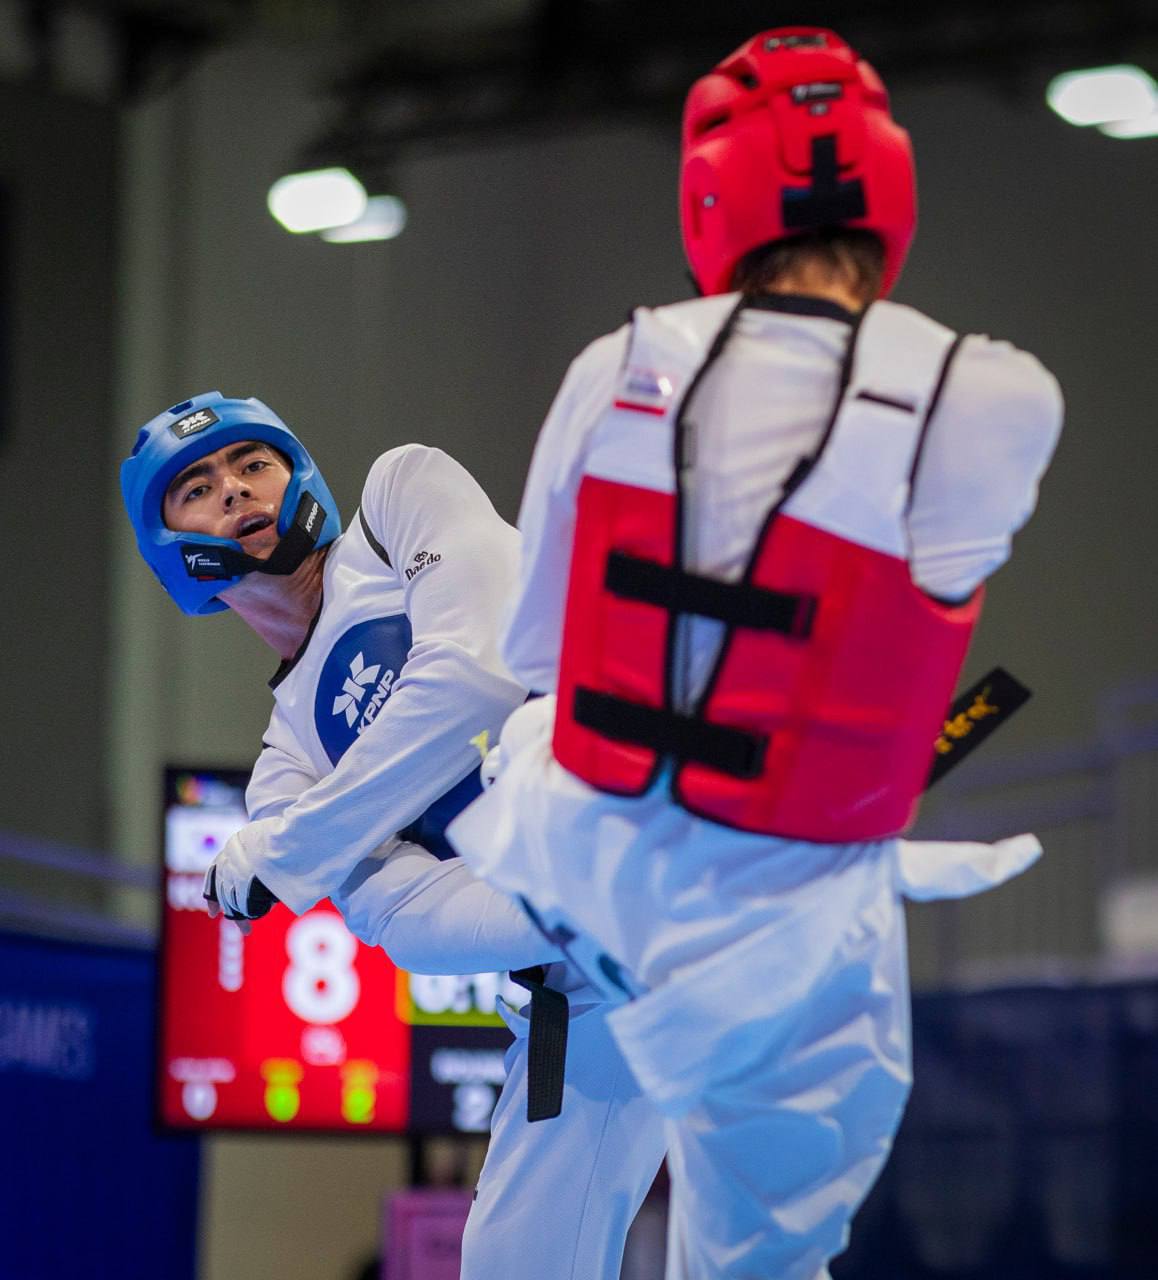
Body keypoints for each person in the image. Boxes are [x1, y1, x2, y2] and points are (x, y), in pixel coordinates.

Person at [446, 26, 1064, 1280]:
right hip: (797, 912)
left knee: (524, 744)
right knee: (763, 1262)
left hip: (600, 867)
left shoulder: (616, 367)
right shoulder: (995, 395)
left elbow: (540, 644)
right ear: (889, 182)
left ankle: (528, 946)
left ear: (709, 195)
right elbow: (922, 595)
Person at [119, 394, 666, 1278]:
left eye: (253, 463)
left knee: (763, 1233)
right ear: (173, 552)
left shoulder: (397, 500)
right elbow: (409, 920)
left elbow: (480, 674)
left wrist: (290, 853)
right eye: (198, 488)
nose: (236, 489)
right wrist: (570, 917)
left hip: (670, 807)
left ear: (299, 475)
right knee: (512, 1265)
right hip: (594, 975)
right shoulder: (286, 772)